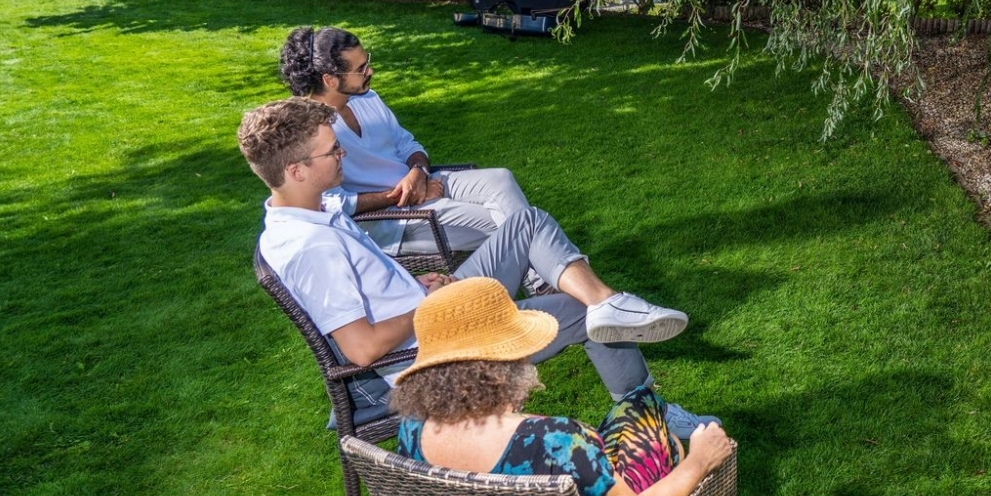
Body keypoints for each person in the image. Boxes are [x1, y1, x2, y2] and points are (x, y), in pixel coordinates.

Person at [239, 96, 706, 431]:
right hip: (431, 352)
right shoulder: (309, 247)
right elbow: (361, 349)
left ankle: (610, 302)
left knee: (527, 222)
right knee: (578, 308)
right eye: (332, 151)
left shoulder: (309, 211)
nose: (342, 155)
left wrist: (414, 282)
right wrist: (426, 302)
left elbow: (368, 290)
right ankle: (648, 410)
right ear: (296, 170)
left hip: (431, 308)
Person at [387, 276, 734, 496]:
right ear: (502, 364)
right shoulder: (556, 441)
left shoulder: (412, 428)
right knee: (656, 426)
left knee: (638, 406)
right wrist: (701, 460)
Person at [279, 25, 528, 254]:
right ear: (330, 79)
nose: (370, 71)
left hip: (423, 182)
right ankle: (543, 279)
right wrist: (404, 194)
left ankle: (541, 279)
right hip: (392, 220)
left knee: (502, 180)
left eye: (367, 63)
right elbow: (332, 204)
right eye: (360, 69)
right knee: (510, 224)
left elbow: (407, 144)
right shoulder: (310, 130)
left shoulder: (368, 98)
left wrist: (418, 173)